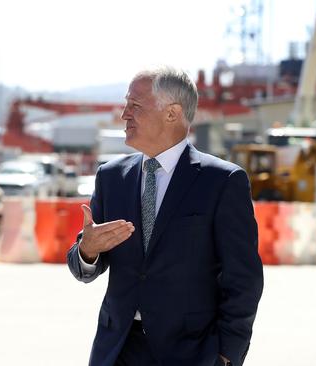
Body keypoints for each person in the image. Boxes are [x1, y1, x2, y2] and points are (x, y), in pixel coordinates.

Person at [67, 66, 263, 366]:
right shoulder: (111, 177)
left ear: (172, 113)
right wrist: (87, 250)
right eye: (125, 105)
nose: (124, 115)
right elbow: (84, 266)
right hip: (118, 348)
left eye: (135, 106)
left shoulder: (223, 182)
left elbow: (243, 279)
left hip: (191, 351)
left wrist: (227, 356)